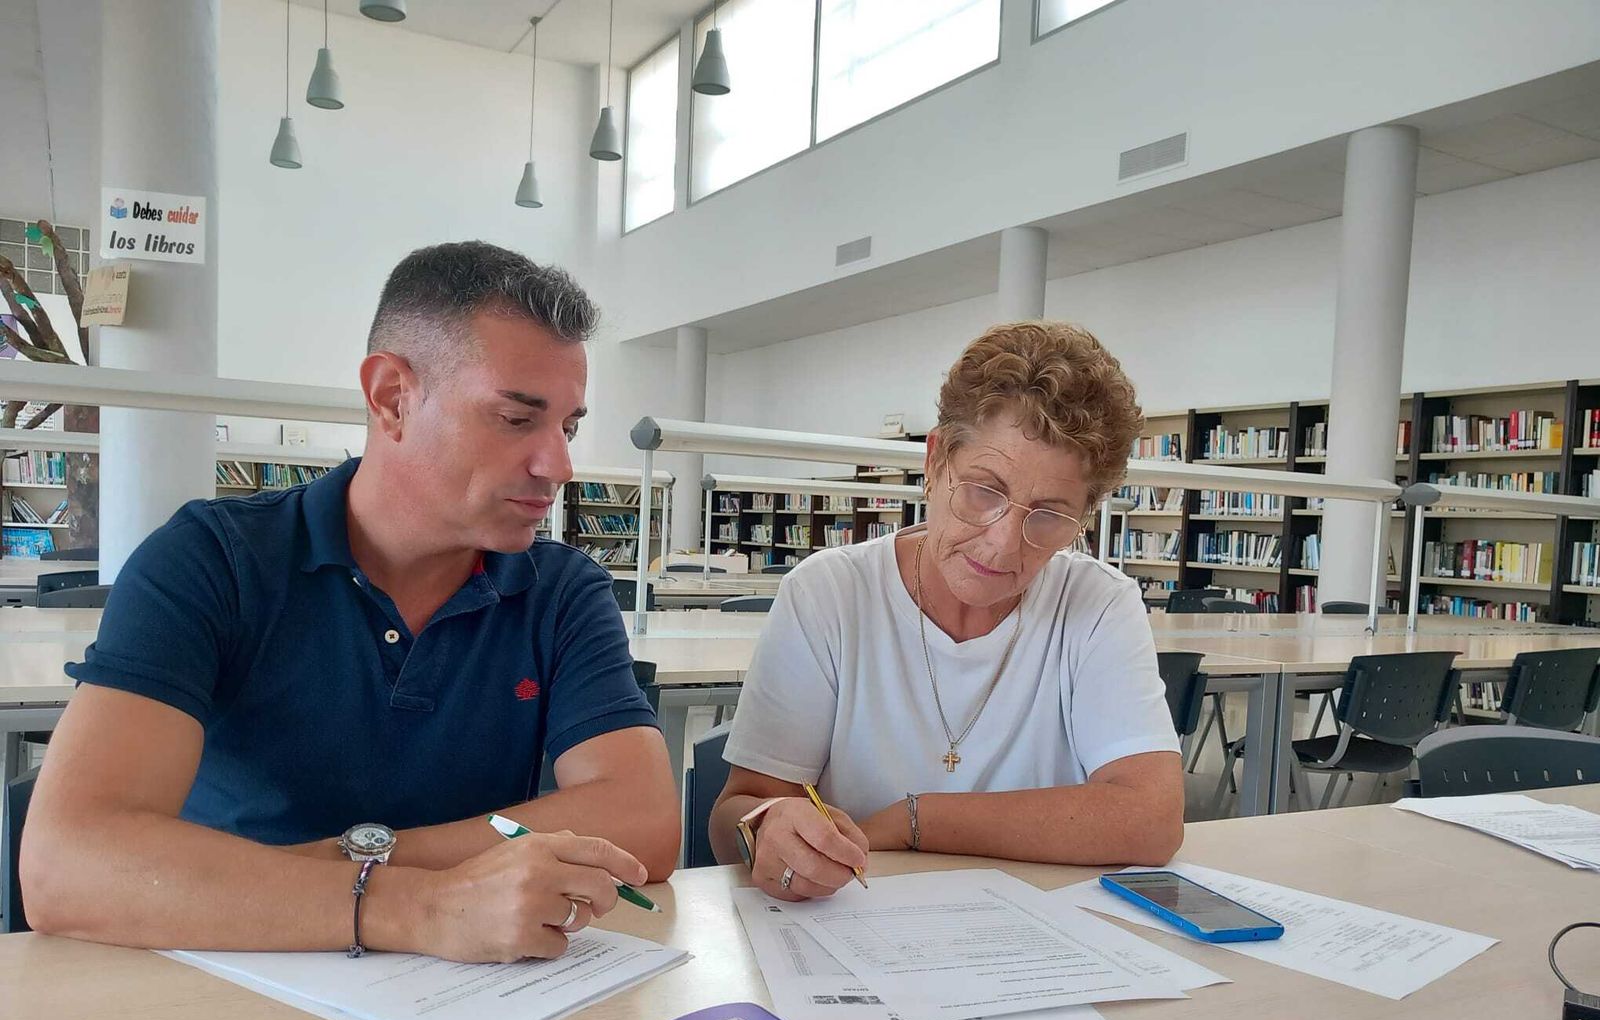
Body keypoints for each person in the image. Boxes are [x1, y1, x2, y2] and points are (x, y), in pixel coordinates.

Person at [22, 241, 680, 961]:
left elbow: (642, 821)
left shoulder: (562, 591)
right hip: (229, 974)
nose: (559, 465)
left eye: (568, 426)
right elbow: (66, 865)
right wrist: (421, 905)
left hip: (473, 986)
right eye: (516, 419)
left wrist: (341, 864)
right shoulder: (212, 560)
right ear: (392, 397)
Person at [709, 321, 1183, 899]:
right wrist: (769, 830)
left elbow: (1151, 819)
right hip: (854, 924)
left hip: (1030, 937)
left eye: (1050, 515)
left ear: (1083, 516)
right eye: (984, 490)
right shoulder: (829, 594)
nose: (1003, 544)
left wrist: (915, 821)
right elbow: (738, 814)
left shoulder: (1099, 603)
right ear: (936, 461)